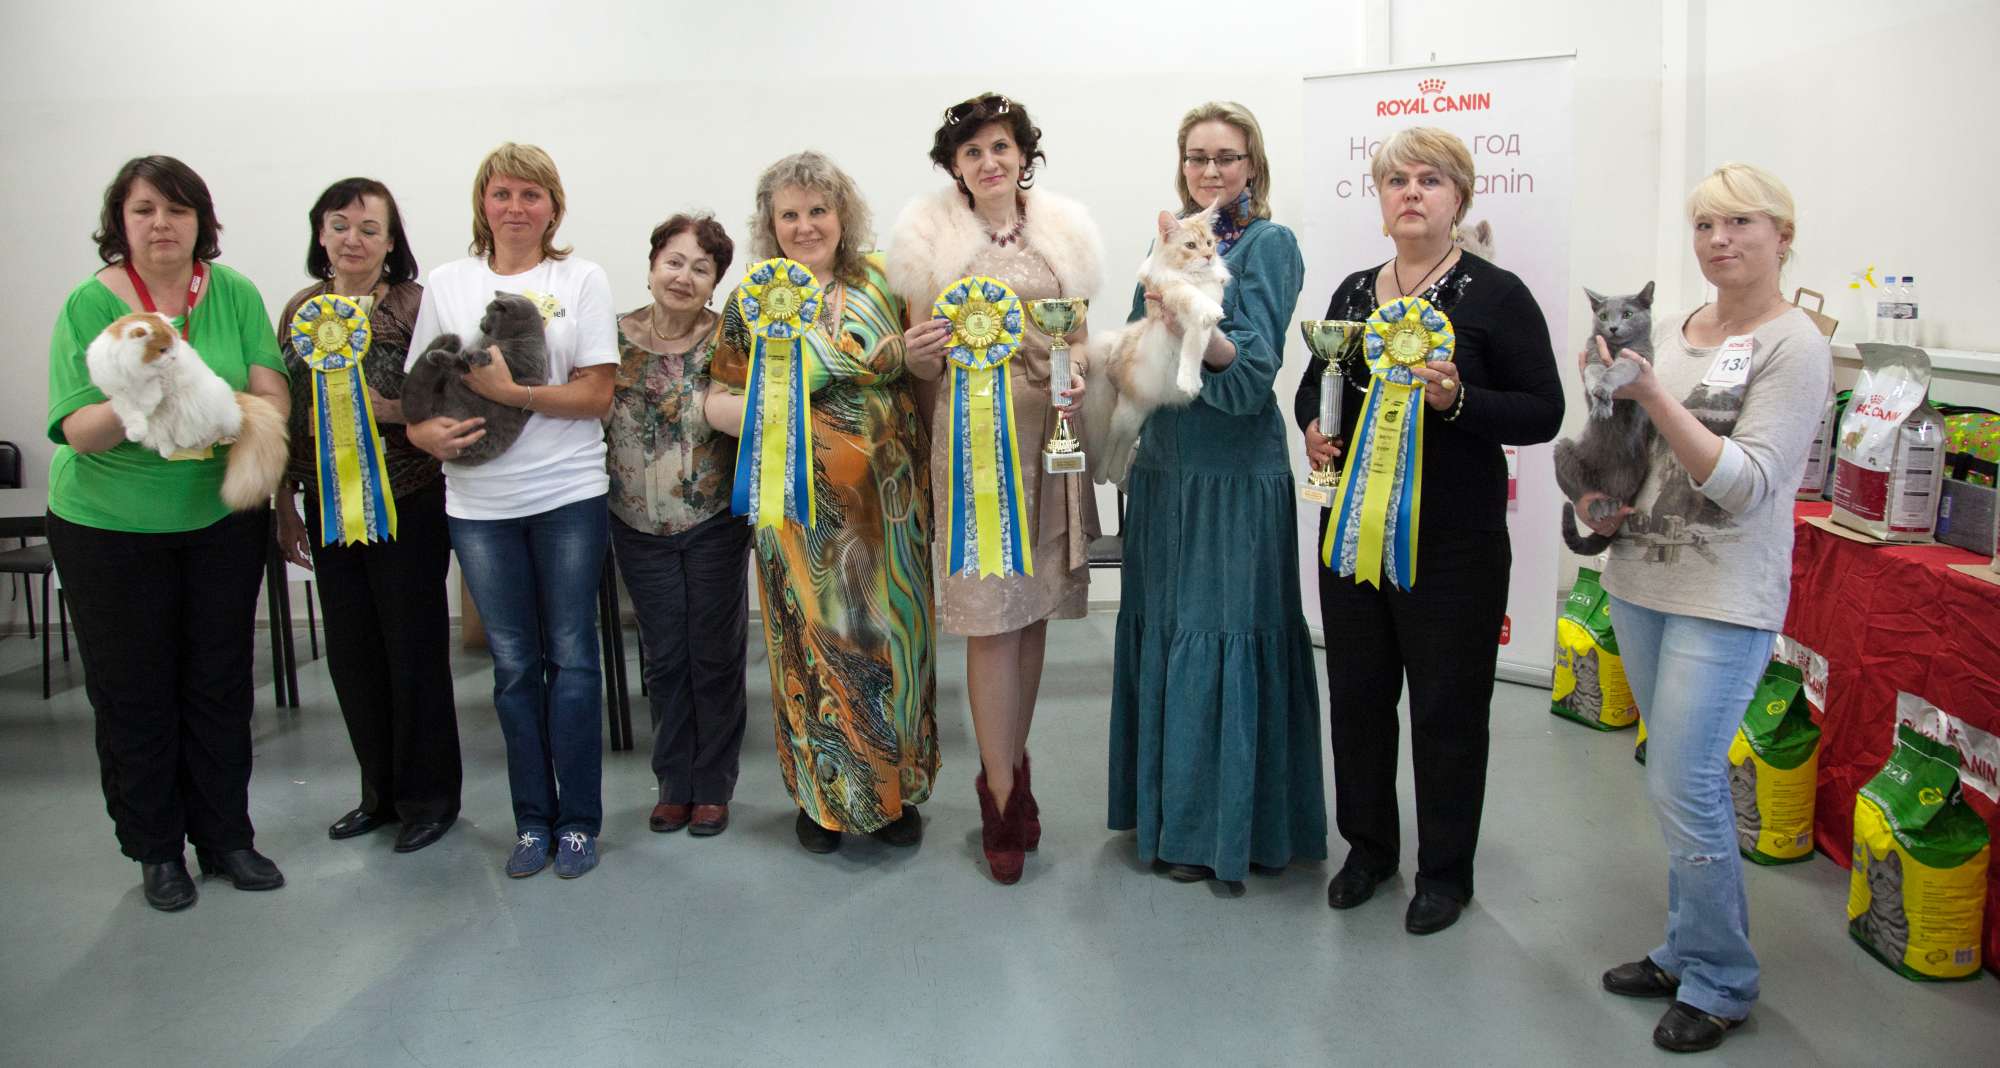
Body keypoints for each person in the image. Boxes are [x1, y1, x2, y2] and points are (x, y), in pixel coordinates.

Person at [1580, 163, 1829, 1053]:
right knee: (1673, 777)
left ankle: (1722, 979)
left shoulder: (1795, 345)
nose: (1719, 240)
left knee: (1684, 784)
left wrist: (1650, 391)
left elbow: (1747, 485)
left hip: (1723, 598)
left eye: (1741, 223)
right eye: (1705, 225)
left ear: (1782, 237)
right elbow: (1641, 458)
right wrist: (1597, 501)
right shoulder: (1680, 332)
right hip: (1641, 582)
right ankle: (1686, 949)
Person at [1300, 126, 1563, 933]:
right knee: (1357, 699)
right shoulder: (1353, 292)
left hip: (1453, 547)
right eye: (1396, 181)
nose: (1411, 192)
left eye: (1429, 180)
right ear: (1380, 201)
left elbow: (1544, 410)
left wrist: (1460, 401)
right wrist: (1312, 425)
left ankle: (1445, 873)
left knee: (1448, 710)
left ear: (1460, 198)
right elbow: (1314, 385)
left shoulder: (1497, 296)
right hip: (1352, 540)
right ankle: (1368, 849)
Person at [44, 155, 291, 911]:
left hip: (217, 520)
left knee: (220, 683)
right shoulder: (90, 304)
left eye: (178, 210)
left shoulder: (234, 291)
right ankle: (156, 850)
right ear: (120, 221)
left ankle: (226, 838)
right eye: (145, 209)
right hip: (109, 527)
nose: (162, 224)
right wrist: (155, 390)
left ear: (200, 222)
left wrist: (231, 411)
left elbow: (271, 389)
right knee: (134, 690)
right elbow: (79, 430)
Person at [1105, 101, 1327, 888]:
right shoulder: (1167, 240)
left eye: (1226, 157)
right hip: (1166, 473)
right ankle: (1170, 818)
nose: (1210, 170)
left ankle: (1219, 832)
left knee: (1221, 633)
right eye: (1197, 157)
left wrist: (1195, 329)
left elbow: (1252, 377)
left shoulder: (1271, 244)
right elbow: (1139, 353)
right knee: (1169, 630)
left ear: (1252, 165)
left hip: (1232, 478)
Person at [886, 92, 1100, 884]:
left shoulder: (1065, 231)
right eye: (972, 151)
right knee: (991, 619)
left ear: (1023, 155)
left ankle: (1015, 761)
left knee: (1033, 610)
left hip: (1050, 441)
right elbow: (921, 361)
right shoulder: (926, 239)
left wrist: (1076, 373)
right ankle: (999, 796)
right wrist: (918, 361)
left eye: (1001, 147)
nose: (988, 162)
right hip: (974, 451)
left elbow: (1078, 336)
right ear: (954, 165)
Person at [704, 151, 937, 856]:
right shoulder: (753, 298)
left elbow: (925, 371)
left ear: (843, 215)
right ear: (769, 224)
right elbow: (716, 399)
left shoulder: (887, 279)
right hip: (798, 512)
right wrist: (777, 403)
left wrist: (922, 354)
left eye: (818, 210)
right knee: (808, 649)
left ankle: (895, 795)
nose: (805, 226)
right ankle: (821, 797)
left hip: (891, 508)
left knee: (896, 644)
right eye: (789, 214)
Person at [404, 143, 617, 880]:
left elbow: (597, 395)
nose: (516, 207)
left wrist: (512, 395)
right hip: (478, 506)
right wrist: (422, 435)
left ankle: (579, 823)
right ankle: (533, 821)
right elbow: (418, 396)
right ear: (483, 204)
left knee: (574, 658)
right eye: (502, 194)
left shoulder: (581, 279)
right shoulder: (448, 282)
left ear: (553, 206)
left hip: (567, 496)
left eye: (532, 194)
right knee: (514, 667)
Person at [274, 177, 461, 854]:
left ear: (390, 241)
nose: (352, 239)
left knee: (413, 651)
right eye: (339, 225)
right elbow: (284, 412)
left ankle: (430, 800)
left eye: (369, 228)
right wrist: (284, 503)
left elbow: (451, 396)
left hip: (407, 500)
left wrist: (380, 406)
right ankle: (378, 794)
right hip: (326, 504)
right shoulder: (300, 310)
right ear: (321, 234)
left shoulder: (417, 305)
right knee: (353, 655)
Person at [607, 213, 753, 838]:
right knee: (665, 658)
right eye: (673, 262)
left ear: (715, 282)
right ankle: (674, 784)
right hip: (635, 524)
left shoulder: (730, 340)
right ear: (651, 266)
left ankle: (713, 787)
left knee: (714, 655)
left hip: (714, 521)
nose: (683, 277)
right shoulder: (610, 337)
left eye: (701, 268)